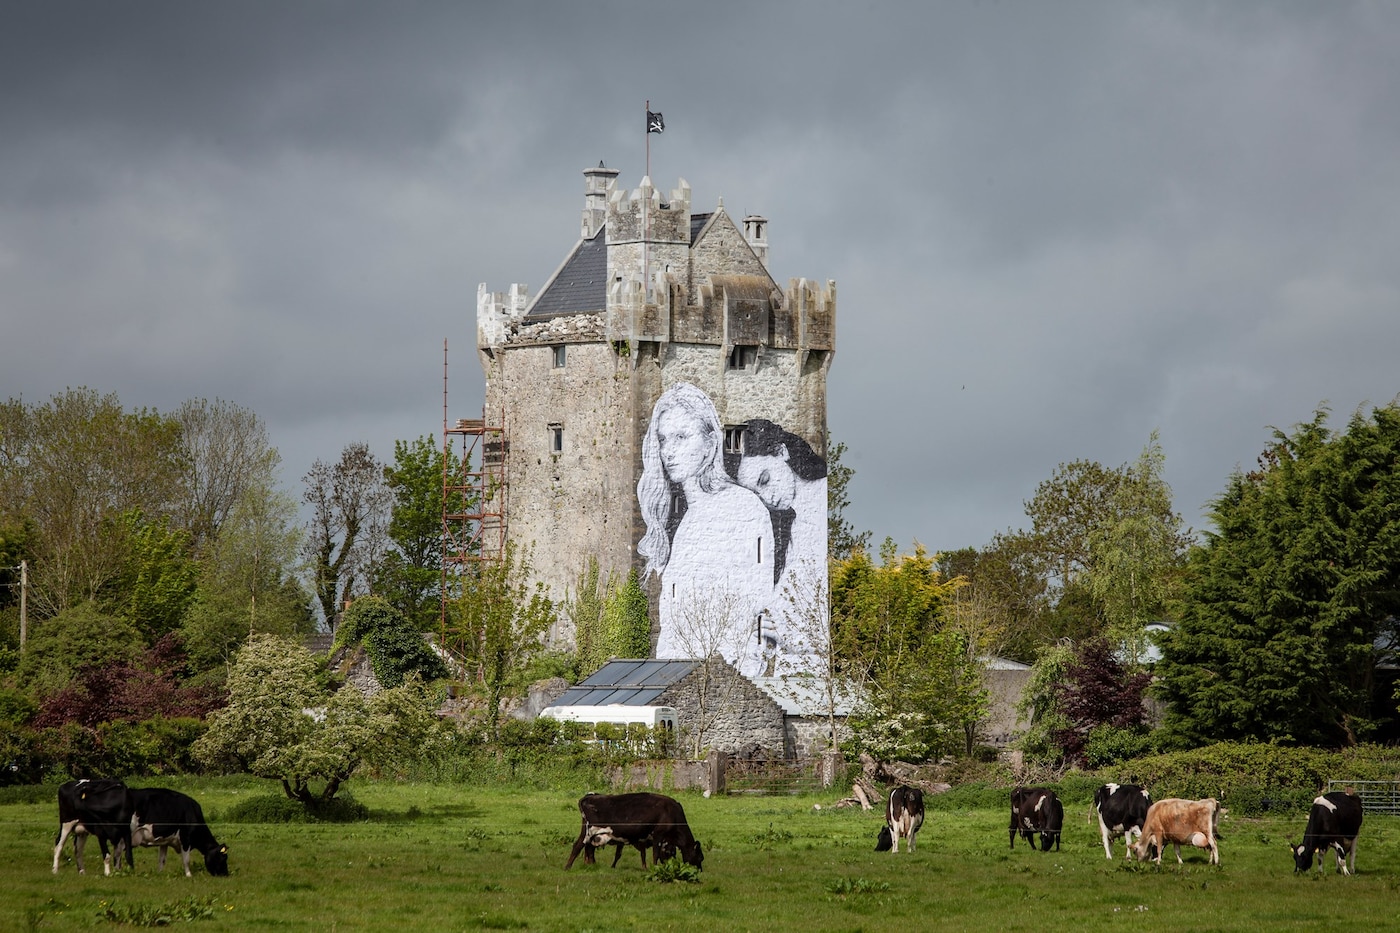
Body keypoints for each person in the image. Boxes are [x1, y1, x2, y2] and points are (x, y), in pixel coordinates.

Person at [638, 383, 775, 675]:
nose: (669, 451)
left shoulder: (742, 509)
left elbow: (757, 605)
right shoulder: (685, 524)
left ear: (711, 443)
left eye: (681, 437)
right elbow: (673, 630)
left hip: (725, 683)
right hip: (679, 683)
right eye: (663, 439)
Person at [735, 419, 829, 672]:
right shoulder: (793, 528)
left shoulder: (828, 505)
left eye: (764, 480)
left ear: (781, 452)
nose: (767, 498)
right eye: (756, 494)